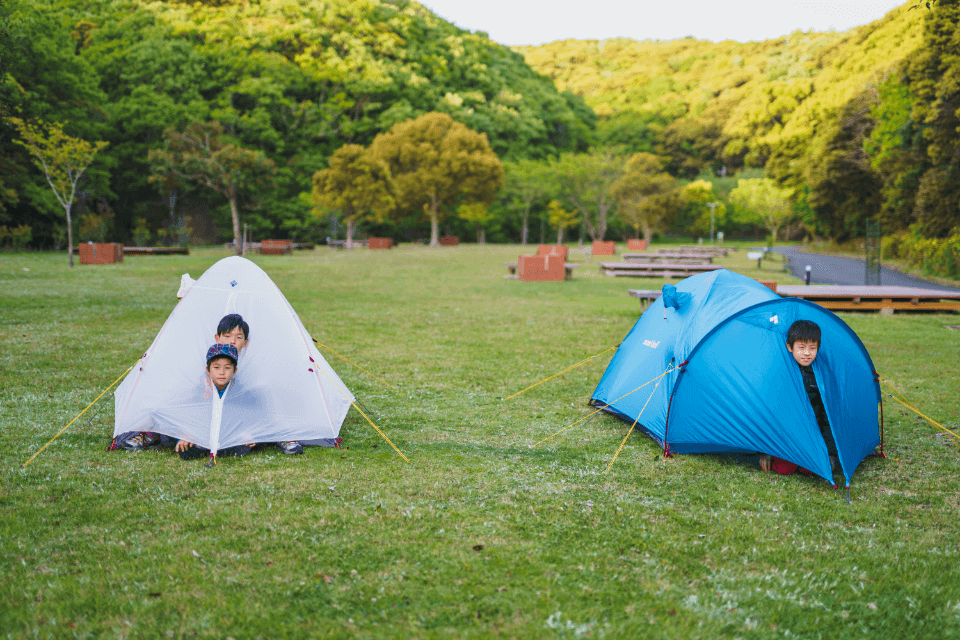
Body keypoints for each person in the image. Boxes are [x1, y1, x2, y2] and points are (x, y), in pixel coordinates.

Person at [212, 313, 303, 456]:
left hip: (250, 412)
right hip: (227, 416)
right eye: (227, 336)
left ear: (245, 342)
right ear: (217, 339)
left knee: (263, 389)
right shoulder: (212, 361)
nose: (232, 341)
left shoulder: (249, 363)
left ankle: (281, 434)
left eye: (239, 337)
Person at [759, 319, 841, 477]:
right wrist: (765, 450)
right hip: (787, 436)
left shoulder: (819, 377)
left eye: (812, 348)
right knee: (783, 469)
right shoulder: (780, 373)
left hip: (812, 436)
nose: (807, 353)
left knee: (810, 470)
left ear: (819, 348)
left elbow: (826, 418)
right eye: (801, 348)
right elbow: (769, 414)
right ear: (789, 347)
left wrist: (831, 454)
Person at [175, 343, 253, 460]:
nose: (222, 372)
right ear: (208, 369)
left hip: (228, 432)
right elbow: (189, 415)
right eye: (216, 368)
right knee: (185, 447)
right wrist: (186, 434)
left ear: (235, 370)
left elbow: (244, 415)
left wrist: (247, 433)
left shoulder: (239, 390)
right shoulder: (199, 389)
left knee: (244, 444)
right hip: (201, 431)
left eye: (227, 368)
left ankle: (220, 447)